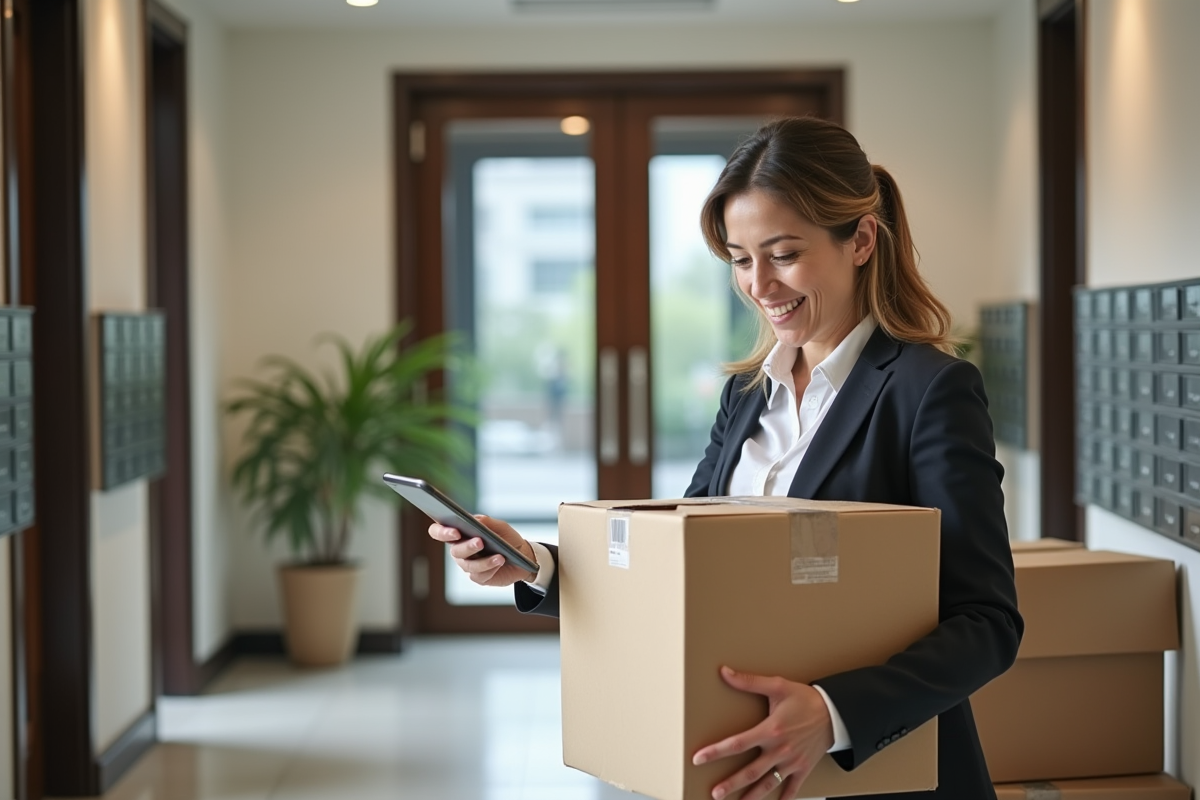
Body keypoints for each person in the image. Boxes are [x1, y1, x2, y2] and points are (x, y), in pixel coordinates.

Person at [429, 116, 1023, 800]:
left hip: (882, 780)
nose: (759, 284)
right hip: (740, 771)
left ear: (860, 240)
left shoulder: (929, 390)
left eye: (784, 253)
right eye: (742, 259)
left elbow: (988, 623)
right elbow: (680, 568)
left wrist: (830, 715)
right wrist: (534, 563)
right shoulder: (747, 395)